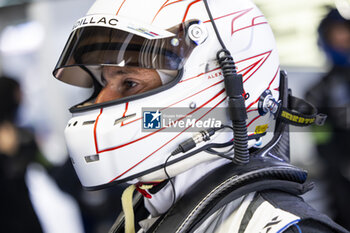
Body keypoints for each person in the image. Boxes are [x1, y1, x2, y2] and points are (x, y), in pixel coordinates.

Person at [52, 0, 349, 232]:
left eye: (129, 83)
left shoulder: (280, 227)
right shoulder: (148, 207)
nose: (103, 100)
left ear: (219, 80)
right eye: (103, 84)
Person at [306, 8, 350, 231]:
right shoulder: (317, 92)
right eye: (337, 33)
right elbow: (321, 138)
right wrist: (340, 162)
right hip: (340, 171)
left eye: (347, 32)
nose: (344, 38)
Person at [0, 76, 44, 233]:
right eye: (18, 91)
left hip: (23, 211)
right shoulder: (15, 135)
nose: (22, 96)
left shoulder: (22, 134)